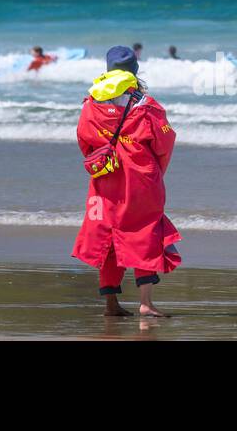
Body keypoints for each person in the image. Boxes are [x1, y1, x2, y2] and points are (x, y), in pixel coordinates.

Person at [73, 46, 181, 317]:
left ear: (108, 69)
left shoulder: (90, 103)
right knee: (144, 232)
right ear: (135, 70)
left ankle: (111, 304)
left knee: (107, 236)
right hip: (139, 178)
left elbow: (84, 140)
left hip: (104, 177)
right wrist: (156, 172)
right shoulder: (147, 104)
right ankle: (145, 303)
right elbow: (165, 142)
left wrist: (103, 160)